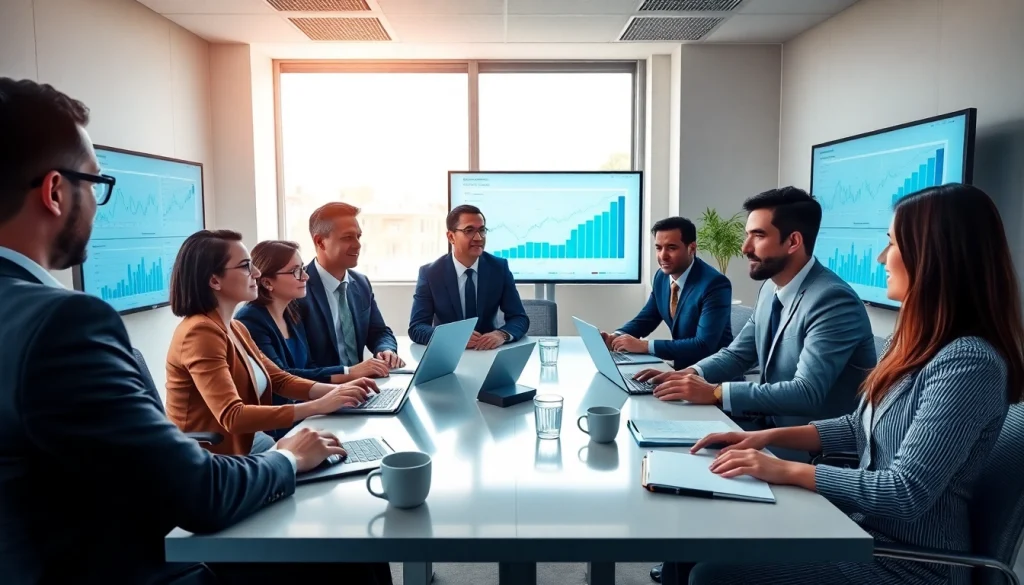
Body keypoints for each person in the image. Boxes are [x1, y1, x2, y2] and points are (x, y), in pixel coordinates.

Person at [0, 77, 392, 584]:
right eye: (96, 185)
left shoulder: (234, 327)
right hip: (134, 563)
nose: (98, 205)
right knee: (352, 549)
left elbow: (277, 378)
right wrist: (287, 458)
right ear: (55, 191)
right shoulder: (64, 324)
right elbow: (196, 491)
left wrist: (327, 394)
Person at [663, 183, 1024, 585]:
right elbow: (857, 428)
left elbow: (905, 491)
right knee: (701, 532)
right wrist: (762, 440)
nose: (882, 257)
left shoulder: (968, 362)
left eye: (893, 243)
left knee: (714, 575)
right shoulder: (912, 342)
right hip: (858, 528)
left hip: (908, 563)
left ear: (935, 256)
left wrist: (783, 469)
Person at [635, 187, 876, 442]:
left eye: (758, 236)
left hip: (807, 448)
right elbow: (737, 355)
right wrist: (690, 374)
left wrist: (717, 393)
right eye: (747, 235)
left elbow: (806, 393)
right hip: (762, 424)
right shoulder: (771, 287)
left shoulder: (833, 301)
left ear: (793, 241)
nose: (745, 247)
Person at [165, 230, 377, 456]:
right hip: (212, 456)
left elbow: (279, 379)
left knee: (334, 451)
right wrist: (317, 406)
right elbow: (232, 416)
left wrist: (340, 392)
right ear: (214, 280)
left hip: (250, 440)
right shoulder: (200, 333)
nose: (256, 272)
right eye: (246, 266)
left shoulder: (235, 328)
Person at [236, 240, 371, 439]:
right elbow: (282, 377)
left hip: (303, 411)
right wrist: (345, 377)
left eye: (303, 269)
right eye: (296, 271)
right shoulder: (250, 320)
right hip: (278, 423)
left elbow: (308, 365)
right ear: (267, 282)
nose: (306, 276)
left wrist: (341, 391)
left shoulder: (292, 311)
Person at [602, 216, 733, 370]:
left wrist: (645, 346)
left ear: (691, 248)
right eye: (658, 248)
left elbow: (703, 345)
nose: (663, 256)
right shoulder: (661, 277)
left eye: (671, 248)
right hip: (679, 370)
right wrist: (616, 337)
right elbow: (646, 319)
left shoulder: (714, 284)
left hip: (712, 377)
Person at [299, 202, 404, 376]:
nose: (357, 244)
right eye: (348, 237)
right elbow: (299, 367)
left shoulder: (360, 282)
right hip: (322, 392)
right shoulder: (298, 288)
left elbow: (379, 331)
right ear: (320, 241)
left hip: (362, 387)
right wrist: (348, 373)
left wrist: (386, 349)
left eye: (358, 236)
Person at [408, 204, 529, 349]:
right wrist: (453, 336)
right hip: (447, 354)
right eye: (469, 230)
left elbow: (519, 318)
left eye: (482, 230)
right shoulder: (431, 273)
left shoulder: (498, 268)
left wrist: (501, 334)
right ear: (451, 237)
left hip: (487, 352)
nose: (478, 238)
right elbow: (417, 327)